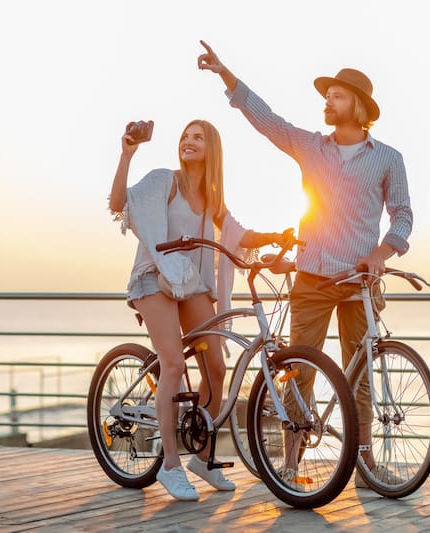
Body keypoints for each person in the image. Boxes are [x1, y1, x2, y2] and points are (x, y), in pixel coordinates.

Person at [197, 41, 413, 488]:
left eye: (335, 96)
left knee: (362, 374)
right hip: (312, 276)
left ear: (358, 105)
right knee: (298, 373)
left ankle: (366, 467)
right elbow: (268, 121)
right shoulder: (311, 147)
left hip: (359, 281)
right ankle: (291, 466)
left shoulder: (389, 158)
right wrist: (227, 76)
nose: (327, 102)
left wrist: (380, 254)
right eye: (327, 95)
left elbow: (403, 215)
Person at [109, 118, 285, 501]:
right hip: (153, 279)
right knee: (173, 364)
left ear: (212, 150)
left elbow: (239, 235)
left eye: (198, 137)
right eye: (185, 136)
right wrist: (127, 154)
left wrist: (276, 236)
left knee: (216, 367)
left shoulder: (212, 200)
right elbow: (118, 203)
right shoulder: (164, 181)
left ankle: (203, 458)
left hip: (189, 283)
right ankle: (170, 465)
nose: (188, 141)